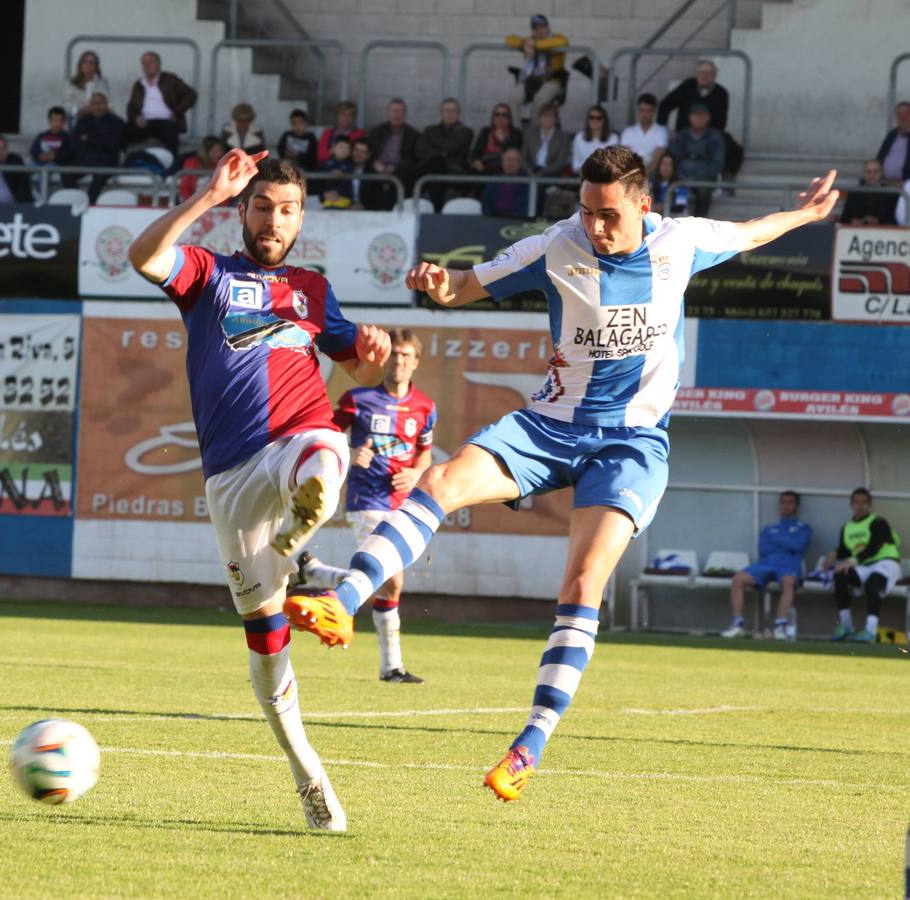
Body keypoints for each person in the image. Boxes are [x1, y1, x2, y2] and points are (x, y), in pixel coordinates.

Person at [284, 146, 841, 802]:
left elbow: (751, 233)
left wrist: (805, 215)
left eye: (608, 215)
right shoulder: (557, 245)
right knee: (439, 483)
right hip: (548, 426)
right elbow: (468, 285)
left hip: (632, 445)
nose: (595, 227)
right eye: (586, 211)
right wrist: (440, 287)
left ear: (643, 205)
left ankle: (530, 744)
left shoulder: (682, 242)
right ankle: (342, 601)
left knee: (582, 581)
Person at [127, 149, 391, 832]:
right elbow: (143, 257)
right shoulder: (209, 274)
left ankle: (302, 531)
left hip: (299, 434)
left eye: (289, 209)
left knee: (325, 455)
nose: (277, 220)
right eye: (265, 207)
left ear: (302, 218)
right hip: (232, 474)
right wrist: (205, 198)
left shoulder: (313, 287)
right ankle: (308, 772)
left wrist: (373, 347)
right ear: (244, 212)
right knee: (266, 634)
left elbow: (350, 353)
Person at [296, 328, 436, 683]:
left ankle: (317, 574)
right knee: (392, 579)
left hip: (404, 502)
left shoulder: (424, 407)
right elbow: (324, 435)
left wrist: (416, 473)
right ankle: (391, 668)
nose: (399, 362)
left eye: (406, 356)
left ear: (416, 362)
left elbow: (425, 453)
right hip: (366, 499)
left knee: (389, 581)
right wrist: (348, 451)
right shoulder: (357, 399)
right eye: (394, 355)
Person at [721, 491, 812, 641]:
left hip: (788, 564)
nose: (786, 506)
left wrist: (777, 540)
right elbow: (763, 548)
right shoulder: (769, 528)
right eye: (783, 502)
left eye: (790, 502)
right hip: (767, 563)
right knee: (738, 579)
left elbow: (799, 545)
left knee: (788, 582)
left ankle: (780, 626)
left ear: (796, 505)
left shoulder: (804, 528)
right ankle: (737, 625)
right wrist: (787, 542)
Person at [824, 488, 902, 643]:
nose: (860, 506)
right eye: (857, 502)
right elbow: (846, 550)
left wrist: (851, 561)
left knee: (873, 584)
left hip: (886, 562)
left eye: (864, 502)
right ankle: (846, 626)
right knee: (840, 576)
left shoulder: (878, 521)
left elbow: (875, 546)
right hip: (864, 565)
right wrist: (834, 554)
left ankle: (870, 631)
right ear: (851, 504)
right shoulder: (847, 527)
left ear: (869, 505)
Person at [125, 50, 197, 156]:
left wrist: (177, 112)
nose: (147, 65)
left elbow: (191, 95)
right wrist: (136, 118)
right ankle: (126, 165)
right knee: (122, 130)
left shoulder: (170, 79)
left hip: (166, 121)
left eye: (151, 62)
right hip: (146, 123)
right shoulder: (139, 84)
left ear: (158, 63)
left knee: (171, 133)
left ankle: (172, 168)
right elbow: (132, 106)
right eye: (144, 63)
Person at [505, 14, 569, 125]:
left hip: (552, 80)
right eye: (536, 28)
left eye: (542, 27)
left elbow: (563, 42)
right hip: (530, 80)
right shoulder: (529, 42)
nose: (539, 30)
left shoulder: (555, 38)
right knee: (513, 97)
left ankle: (535, 131)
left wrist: (535, 45)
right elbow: (509, 39)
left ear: (548, 27)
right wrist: (524, 44)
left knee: (540, 98)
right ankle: (516, 132)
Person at [64, 92, 125, 203]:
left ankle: (90, 204)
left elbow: (113, 143)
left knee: (98, 179)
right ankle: (79, 200)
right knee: (66, 174)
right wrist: (98, 139)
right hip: (86, 159)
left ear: (107, 105)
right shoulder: (83, 121)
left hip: (106, 160)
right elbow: (75, 143)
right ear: (90, 106)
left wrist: (89, 138)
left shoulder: (116, 122)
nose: (98, 107)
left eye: (101, 103)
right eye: (94, 103)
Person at [414, 98, 474, 209]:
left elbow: (455, 147)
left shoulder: (466, 132)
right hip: (428, 169)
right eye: (446, 110)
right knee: (432, 163)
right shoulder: (430, 130)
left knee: (437, 162)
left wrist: (435, 146)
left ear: (458, 113)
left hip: (455, 170)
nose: (449, 114)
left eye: (453, 111)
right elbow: (420, 150)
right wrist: (443, 152)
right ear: (441, 113)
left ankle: (436, 209)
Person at [669, 103, 724, 216]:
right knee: (676, 188)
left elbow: (718, 163)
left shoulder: (715, 136)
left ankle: (700, 222)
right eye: (695, 115)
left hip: (704, 177)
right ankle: (677, 220)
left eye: (702, 115)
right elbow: (674, 157)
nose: (699, 118)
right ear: (690, 117)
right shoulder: (682, 135)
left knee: (704, 191)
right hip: (683, 175)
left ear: (708, 117)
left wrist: (697, 176)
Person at [367, 98, 420, 196]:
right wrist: (375, 162)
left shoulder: (414, 135)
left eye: (401, 111)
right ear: (388, 113)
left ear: (405, 114)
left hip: (401, 173)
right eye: (394, 111)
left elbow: (414, 158)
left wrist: (396, 167)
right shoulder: (376, 132)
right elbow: (368, 152)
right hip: (377, 171)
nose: (397, 115)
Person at [621, 93, 670, 174]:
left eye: (649, 111)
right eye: (642, 110)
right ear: (638, 111)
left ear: (654, 111)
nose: (645, 114)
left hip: (653, 175)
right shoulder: (628, 132)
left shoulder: (661, 131)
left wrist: (643, 176)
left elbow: (657, 160)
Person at [470, 103, 523, 175]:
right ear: (493, 117)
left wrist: (503, 141)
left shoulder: (516, 134)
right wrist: (476, 161)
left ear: (509, 119)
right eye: (497, 114)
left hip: (506, 169)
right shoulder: (485, 132)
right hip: (485, 168)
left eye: (504, 115)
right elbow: (475, 154)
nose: (500, 117)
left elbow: (514, 153)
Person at [840, 159, 898, 225]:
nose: (872, 175)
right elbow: (844, 219)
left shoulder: (890, 194)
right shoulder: (854, 193)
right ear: (863, 173)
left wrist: (879, 222)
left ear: (881, 173)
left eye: (875, 171)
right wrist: (853, 221)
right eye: (868, 172)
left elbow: (894, 220)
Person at [64, 50, 110, 128]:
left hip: (99, 121)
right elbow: (66, 105)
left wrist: (95, 108)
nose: (88, 65)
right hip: (77, 121)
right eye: (85, 62)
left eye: (91, 63)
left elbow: (109, 104)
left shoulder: (102, 83)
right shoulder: (71, 83)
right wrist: (79, 110)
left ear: (96, 67)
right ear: (80, 64)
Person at [480, 147, 530, 217]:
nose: (510, 163)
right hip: (493, 220)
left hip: (516, 222)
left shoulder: (526, 183)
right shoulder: (494, 180)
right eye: (507, 159)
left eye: (515, 160)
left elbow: (525, 207)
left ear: (520, 164)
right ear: (502, 162)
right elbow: (486, 203)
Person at [571, 105, 619, 173]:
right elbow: (575, 163)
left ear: (604, 120)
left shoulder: (613, 138)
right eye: (591, 117)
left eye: (599, 118)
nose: (594, 120)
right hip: (582, 177)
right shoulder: (579, 137)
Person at [178, 135, 226, 202]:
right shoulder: (191, 162)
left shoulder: (221, 165)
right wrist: (190, 204)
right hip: (189, 203)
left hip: (212, 206)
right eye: (214, 152)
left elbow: (223, 191)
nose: (218, 154)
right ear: (205, 152)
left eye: (220, 151)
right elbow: (184, 187)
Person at [317, 101, 366, 166]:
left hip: (352, 171)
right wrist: (334, 151)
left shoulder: (361, 134)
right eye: (343, 114)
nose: (346, 118)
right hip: (328, 171)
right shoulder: (328, 133)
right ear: (337, 116)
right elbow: (320, 155)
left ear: (354, 118)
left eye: (350, 115)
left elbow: (363, 157)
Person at [876, 101, 910, 186]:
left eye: (907, 113)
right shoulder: (891, 135)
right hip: (885, 184)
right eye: (900, 114)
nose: (903, 117)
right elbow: (880, 157)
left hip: (906, 187)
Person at [317, 135, 354, 208]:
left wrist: (342, 173)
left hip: (345, 198)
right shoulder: (326, 164)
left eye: (347, 148)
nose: (344, 150)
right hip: (328, 198)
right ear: (333, 149)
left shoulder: (350, 165)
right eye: (341, 147)